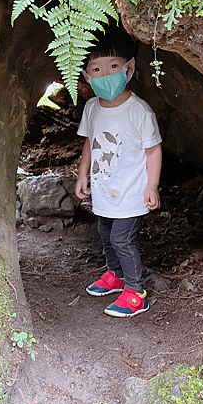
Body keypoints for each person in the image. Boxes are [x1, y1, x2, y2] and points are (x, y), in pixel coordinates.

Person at [75, 24, 162, 318]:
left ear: (128, 68)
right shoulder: (92, 108)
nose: (106, 74)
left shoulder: (139, 111)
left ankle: (136, 292)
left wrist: (152, 186)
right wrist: (82, 174)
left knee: (122, 239)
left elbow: (153, 149)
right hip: (104, 190)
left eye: (113, 66)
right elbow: (90, 142)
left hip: (132, 192)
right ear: (86, 75)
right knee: (105, 231)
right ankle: (116, 275)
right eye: (96, 69)